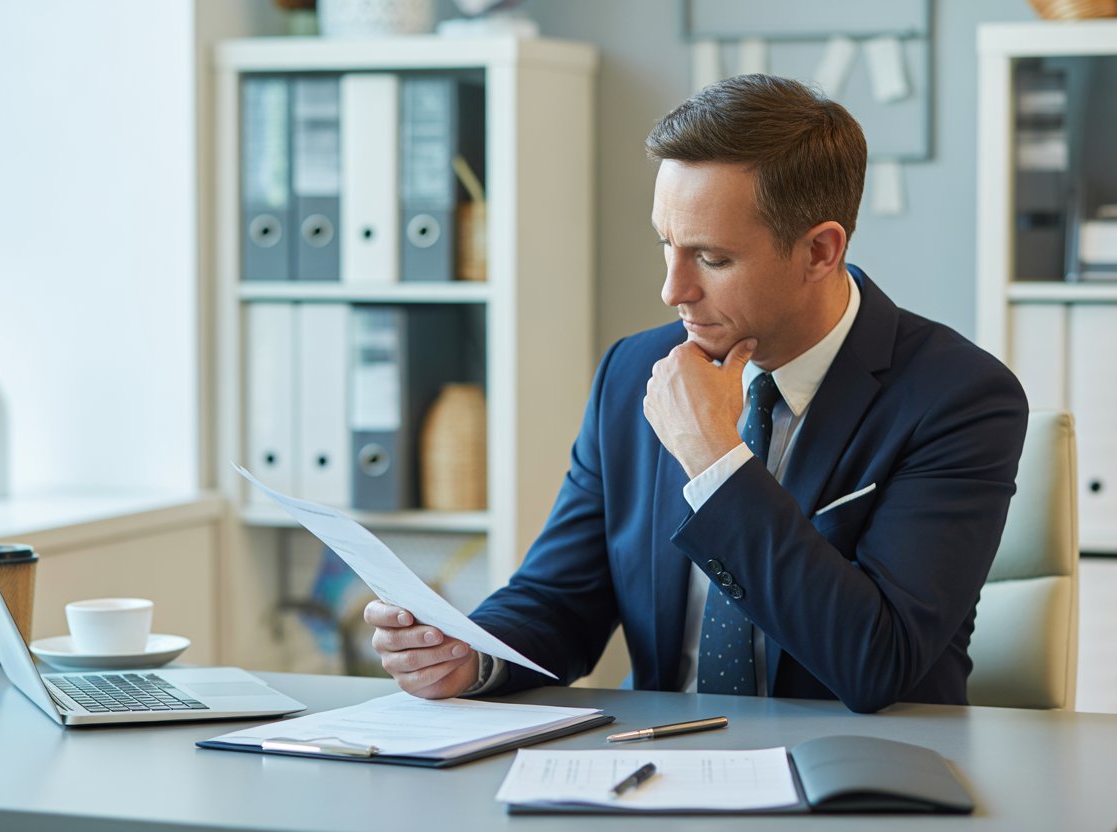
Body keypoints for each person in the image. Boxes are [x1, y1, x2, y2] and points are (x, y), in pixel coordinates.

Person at [364, 74, 1029, 714]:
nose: (673, 290)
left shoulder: (959, 398)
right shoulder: (637, 370)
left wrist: (716, 460)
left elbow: (875, 663)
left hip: (855, 779)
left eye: (711, 259)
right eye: (667, 246)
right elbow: (560, 597)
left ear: (821, 251)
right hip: (660, 762)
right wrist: (471, 653)